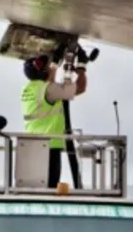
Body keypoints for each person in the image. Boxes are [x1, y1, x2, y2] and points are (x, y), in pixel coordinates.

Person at [20, 51, 88, 188]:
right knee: (49, 188)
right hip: (50, 146)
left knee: (33, 189)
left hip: (32, 146)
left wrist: (53, 69)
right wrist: (81, 68)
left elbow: (49, 84)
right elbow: (80, 88)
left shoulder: (28, 89)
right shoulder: (49, 90)